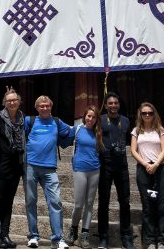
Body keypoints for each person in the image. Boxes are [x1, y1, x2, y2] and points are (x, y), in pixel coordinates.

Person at [24, 95, 72, 249]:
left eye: (47, 106)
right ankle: (33, 236)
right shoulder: (29, 121)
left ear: (51, 106)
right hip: (30, 166)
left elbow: (72, 132)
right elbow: (20, 137)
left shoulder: (57, 122)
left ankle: (57, 239)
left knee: (55, 202)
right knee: (31, 202)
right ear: (36, 108)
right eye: (41, 106)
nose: (45, 108)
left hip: (50, 168)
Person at [97, 92, 136, 249]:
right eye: (110, 103)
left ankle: (126, 235)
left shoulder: (125, 121)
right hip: (105, 166)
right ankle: (103, 236)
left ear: (119, 105)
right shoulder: (100, 120)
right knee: (103, 202)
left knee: (125, 202)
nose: (113, 106)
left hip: (122, 166)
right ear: (105, 106)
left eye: (116, 103)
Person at [130, 103, 164, 249]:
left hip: (160, 169)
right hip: (143, 169)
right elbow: (133, 150)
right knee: (147, 205)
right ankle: (150, 240)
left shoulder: (160, 130)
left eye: (150, 113)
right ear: (140, 115)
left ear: (154, 114)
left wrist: (155, 165)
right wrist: (146, 164)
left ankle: (163, 240)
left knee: (162, 204)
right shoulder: (136, 131)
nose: (147, 115)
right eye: (144, 113)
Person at [0, 87, 25, 248]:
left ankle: (5, 234)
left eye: (14, 100)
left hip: (16, 164)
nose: (12, 102)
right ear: (4, 103)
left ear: (19, 102)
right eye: (9, 100)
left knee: (9, 201)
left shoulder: (22, 118)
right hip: (0, 164)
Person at [67, 105, 104, 249]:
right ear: (84, 116)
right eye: (89, 116)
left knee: (89, 204)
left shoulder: (98, 132)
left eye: (94, 117)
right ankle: (73, 230)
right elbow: (64, 137)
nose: (91, 119)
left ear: (96, 119)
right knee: (78, 204)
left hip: (94, 169)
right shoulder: (77, 129)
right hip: (80, 168)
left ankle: (85, 234)